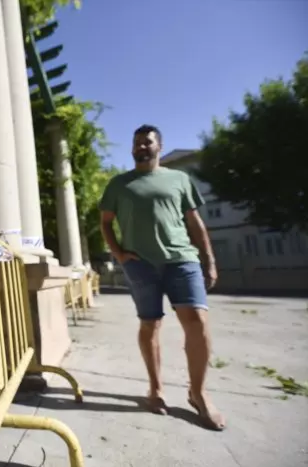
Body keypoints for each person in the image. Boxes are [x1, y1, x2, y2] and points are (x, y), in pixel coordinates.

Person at [98, 124, 225, 431]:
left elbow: (195, 224)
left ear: (159, 147)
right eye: (137, 143)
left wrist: (208, 259)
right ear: (132, 149)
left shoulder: (179, 179)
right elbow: (105, 224)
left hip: (182, 260)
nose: (142, 146)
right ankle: (155, 389)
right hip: (140, 265)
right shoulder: (119, 184)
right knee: (150, 323)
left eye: (148, 142)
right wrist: (119, 253)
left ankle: (198, 393)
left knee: (197, 321)